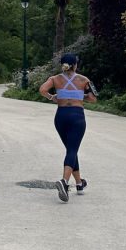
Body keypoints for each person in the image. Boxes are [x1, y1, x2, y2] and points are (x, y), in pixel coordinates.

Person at [38, 53, 98, 202]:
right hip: (77, 116)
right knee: (72, 149)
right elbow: (93, 98)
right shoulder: (84, 80)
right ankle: (64, 182)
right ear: (75, 65)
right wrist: (79, 95)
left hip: (61, 117)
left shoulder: (54, 79)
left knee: (71, 149)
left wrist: (53, 97)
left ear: (63, 65)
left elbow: (42, 90)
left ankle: (79, 183)